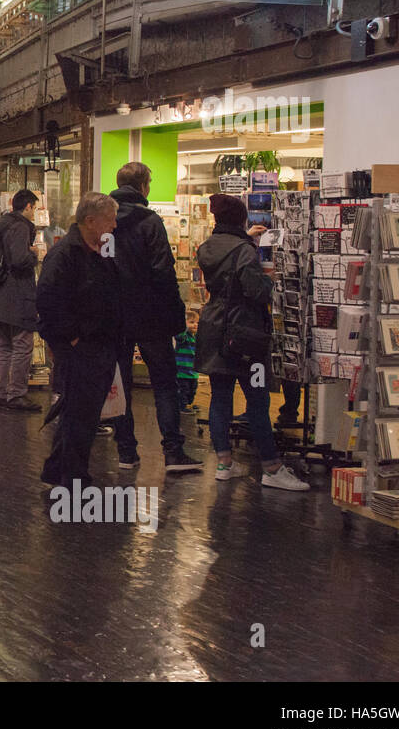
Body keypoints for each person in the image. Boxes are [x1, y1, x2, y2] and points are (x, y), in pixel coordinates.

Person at [195, 193, 308, 490]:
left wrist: (246, 241)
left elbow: (226, 266)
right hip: (244, 333)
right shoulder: (244, 251)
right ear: (241, 218)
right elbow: (256, 291)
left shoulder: (207, 246)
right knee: (257, 399)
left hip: (214, 329)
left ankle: (224, 463)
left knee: (220, 398)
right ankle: (271, 467)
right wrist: (269, 278)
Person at [108, 162, 202, 472]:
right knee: (165, 384)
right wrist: (176, 317)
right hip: (150, 317)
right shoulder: (150, 222)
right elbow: (163, 272)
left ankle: (126, 452)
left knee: (121, 384)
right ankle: (173, 451)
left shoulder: (103, 220)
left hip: (115, 317)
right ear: (143, 186)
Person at [36, 192, 122, 488]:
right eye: (109, 220)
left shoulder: (99, 253)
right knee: (80, 414)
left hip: (98, 344)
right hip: (79, 347)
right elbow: (47, 300)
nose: (113, 226)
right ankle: (73, 477)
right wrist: (71, 337)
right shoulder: (66, 255)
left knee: (81, 412)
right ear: (90, 221)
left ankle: (57, 470)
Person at [0, 189, 41, 412]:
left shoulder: (3, 225)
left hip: (1, 294)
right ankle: (16, 394)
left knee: (6, 346)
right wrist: (34, 254)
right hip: (18, 294)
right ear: (27, 206)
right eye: (35, 209)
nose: (35, 214)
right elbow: (20, 259)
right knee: (22, 345)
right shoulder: (20, 226)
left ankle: (2, 392)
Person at [175, 310, 200, 412]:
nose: (195, 325)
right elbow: (179, 336)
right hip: (182, 372)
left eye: (197, 323)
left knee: (192, 390)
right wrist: (184, 326)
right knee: (183, 390)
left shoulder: (195, 337)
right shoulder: (184, 337)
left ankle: (189, 403)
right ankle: (182, 406)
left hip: (193, 372)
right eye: (191, 322)